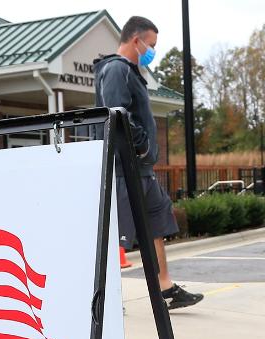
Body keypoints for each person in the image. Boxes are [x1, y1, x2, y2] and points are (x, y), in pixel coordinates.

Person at [93, 16, 202, 310]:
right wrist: (140, 145)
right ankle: (106, 298)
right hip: (123, 167)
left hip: (141, 169)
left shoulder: (130, 71)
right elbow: (116, 112)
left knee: (156, 221)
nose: (152, 51)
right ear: (135, 40)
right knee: (117, 232)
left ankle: (165, 287)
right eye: (150, 45)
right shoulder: (116, 70)